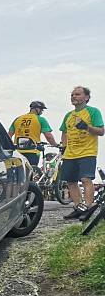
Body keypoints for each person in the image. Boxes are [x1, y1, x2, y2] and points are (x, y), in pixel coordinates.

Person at [60, 86, 104, 220]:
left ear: (86, 97)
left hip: (87, 151)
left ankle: (88, 207)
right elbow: (64, 132)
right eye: (72, 94)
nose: (73, 96)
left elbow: (101, 131)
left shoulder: (93, 111)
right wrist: (64, 146)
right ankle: (79, 207)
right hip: (70, 153)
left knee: (86, 179)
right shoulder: (68, 115)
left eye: (77, 94)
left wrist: (87, 127)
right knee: (71, 181)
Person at [8, 100, 58, 167]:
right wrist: (54, 144)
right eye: (41, 109)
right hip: (33, 151)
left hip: (18, 152)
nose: (42, 112)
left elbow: (9, 135)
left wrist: (11, 147)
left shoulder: (18, 119)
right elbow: (48, 136)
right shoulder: (41, 119)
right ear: (37, 109)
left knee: (20, 173)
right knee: (32, 172)